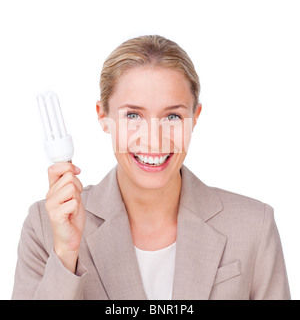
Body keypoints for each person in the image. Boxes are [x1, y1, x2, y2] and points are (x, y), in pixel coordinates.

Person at [12, 35, 290, 300]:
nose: (154, 139)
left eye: (172, 116)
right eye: (133, 115)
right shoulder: (46, 226)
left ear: (195, 117)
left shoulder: (254, 225)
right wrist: (65, 254)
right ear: (103, 117)